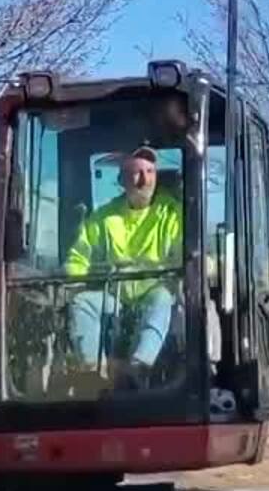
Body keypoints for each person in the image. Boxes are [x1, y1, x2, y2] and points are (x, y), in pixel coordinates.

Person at [64, 146, 183, 376]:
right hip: (115, 295)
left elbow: (185, 253)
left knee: (162, 299)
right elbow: (79, 256)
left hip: (153, 290)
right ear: (122, 180)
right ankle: (91, 372)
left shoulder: (173, 214)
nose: (144, 180)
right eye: (137, 173)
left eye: (150, 172)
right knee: (83, 303)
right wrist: (73, 280)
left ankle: (140, 367)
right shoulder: (104, 217)